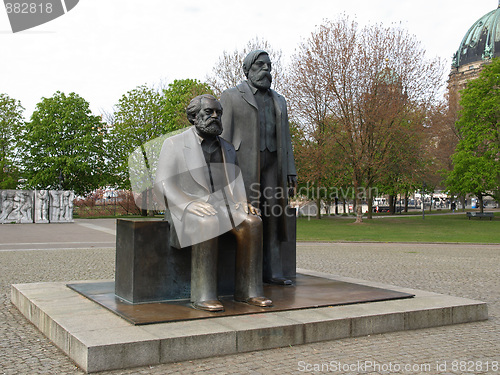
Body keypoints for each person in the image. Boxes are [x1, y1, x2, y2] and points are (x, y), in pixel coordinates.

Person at [155, 94, 272, 312]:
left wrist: (241, 202)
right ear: (193, 117)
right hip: (185, 208)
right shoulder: (174, 144)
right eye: (209, 112)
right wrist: (188, 204)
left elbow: (235, 183)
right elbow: (162, 183)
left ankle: (249, 291)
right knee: (206, 221)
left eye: (218, 112)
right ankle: (203, 295)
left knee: (252, 222)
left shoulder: (227, 148)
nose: (215, 116)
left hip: (222, 207)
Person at [221, 50, 297, 285]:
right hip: (244, 166)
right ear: (247, 70)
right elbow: (223, 138)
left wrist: (290, 171)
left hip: (274, 165)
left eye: (269, 65)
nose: (266, 70)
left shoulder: (279, 100)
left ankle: (273, 271)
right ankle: (246, 274)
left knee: (274, 218)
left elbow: (286, 138)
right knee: (248, 217)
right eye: (260, 65)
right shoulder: (231, 96)